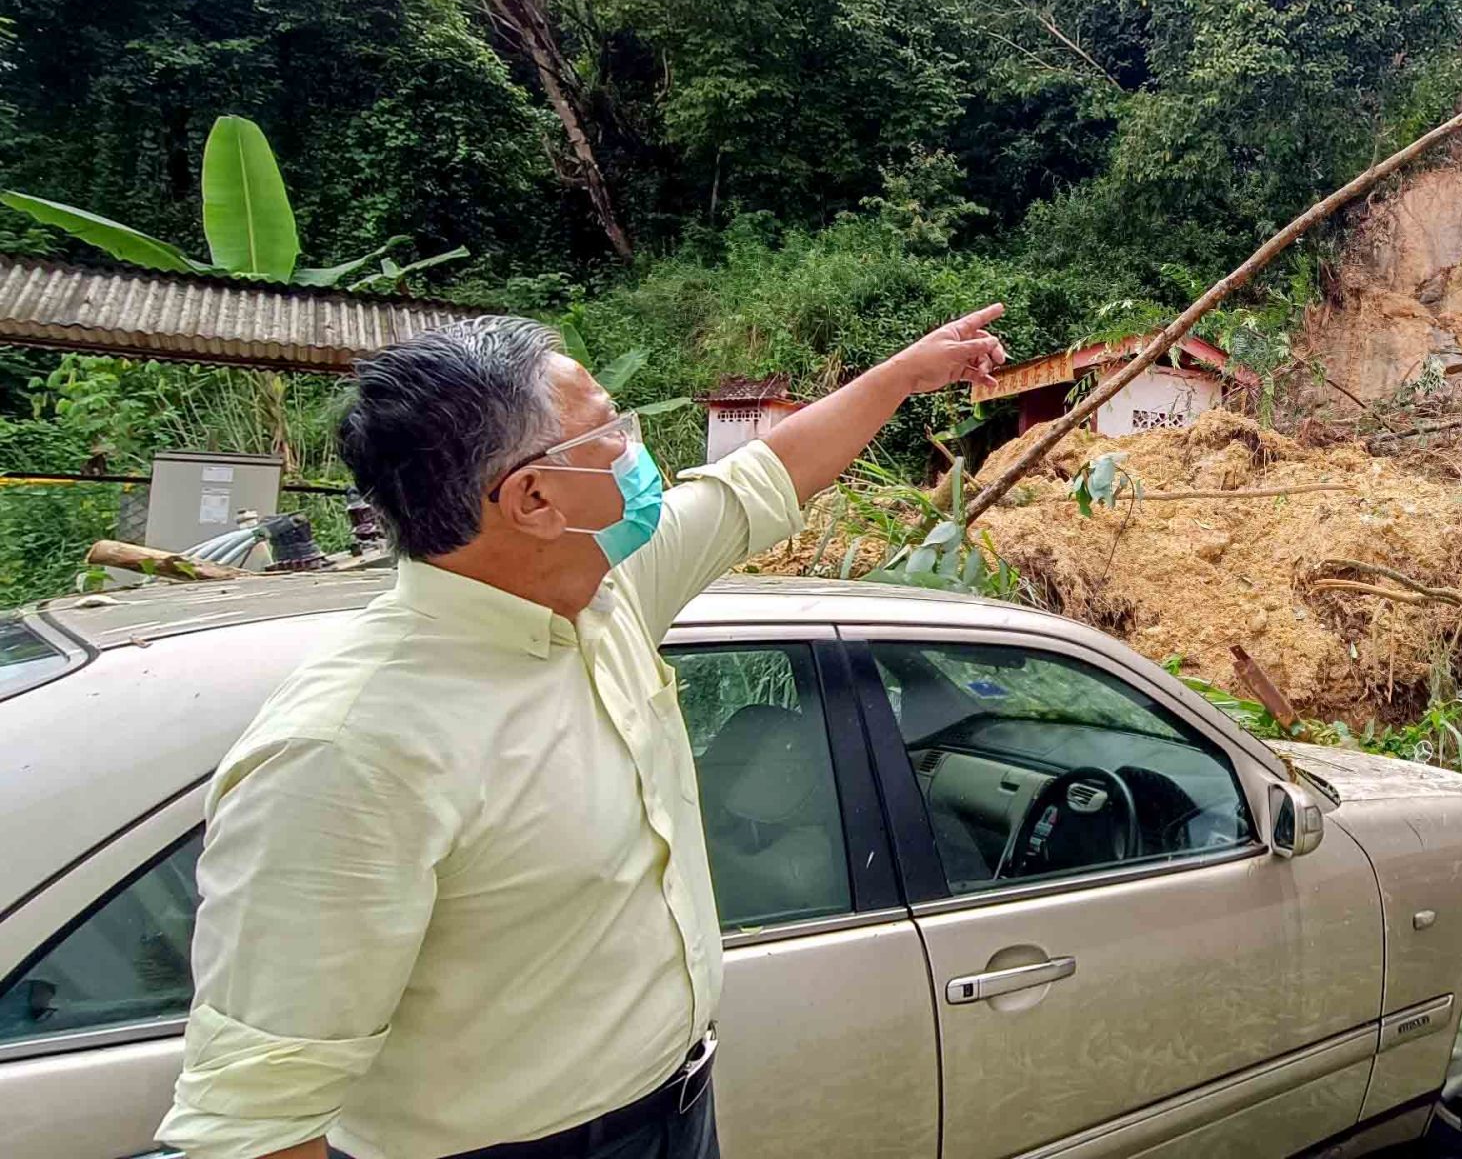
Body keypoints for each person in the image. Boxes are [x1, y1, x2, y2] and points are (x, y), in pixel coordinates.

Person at [157, 307, 1008, 1159]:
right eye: (612, 429)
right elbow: (257, 1124)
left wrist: (903, 375)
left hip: (675, 1108)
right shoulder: (350, 749)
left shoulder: (599, 593)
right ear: (534, 498)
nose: (639, 453)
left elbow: (759, 481)